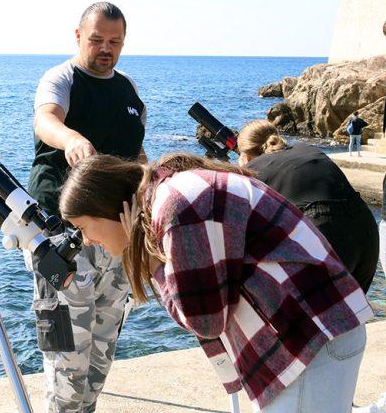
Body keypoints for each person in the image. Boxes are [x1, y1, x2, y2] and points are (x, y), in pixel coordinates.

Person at [58, 152, 373, 412]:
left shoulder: (178, 206)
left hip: (308, 341)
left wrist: (154, 265)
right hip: (310, 337)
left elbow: (205, 320)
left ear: (106, 207)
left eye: (83, 226)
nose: (85, 240)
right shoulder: (174, 192)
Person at [27, 1, 146, 413]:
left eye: (114, 41)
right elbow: (45, 120)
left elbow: (137, 153)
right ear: (79, 37)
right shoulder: (61, 78)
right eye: (96, 40)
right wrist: (71, 139)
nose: (105, 49)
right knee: (65, 359)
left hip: (115, 238)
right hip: (63, 237)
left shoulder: (128, 89)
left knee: (100, 353)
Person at [237, 119, 379, 292]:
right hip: (366, 230)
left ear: (245, 156)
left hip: (326, 232)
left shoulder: (254, 170)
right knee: (351, 315)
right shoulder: (307, 149)